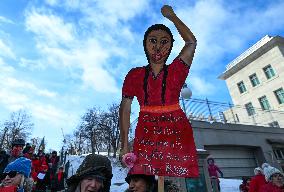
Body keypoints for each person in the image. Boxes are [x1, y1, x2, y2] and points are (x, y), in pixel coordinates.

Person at [119, 4, 198, 178]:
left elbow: (191, 42)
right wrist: (124, 143)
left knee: (169, 177)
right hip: (146, 131)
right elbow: (125, 107)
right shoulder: (134, 75)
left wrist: (172, 17)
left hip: (176, 128)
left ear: (170, 47)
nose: (158, 47)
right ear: (145, 44)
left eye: (164, 42)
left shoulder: (177, 70)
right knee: (145, 177)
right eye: (153, 41)